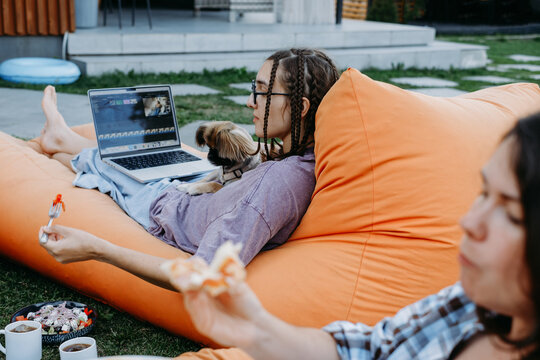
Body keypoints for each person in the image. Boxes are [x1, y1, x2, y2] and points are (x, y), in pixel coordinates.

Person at [179, 112, 540, 359]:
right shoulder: (469, 306)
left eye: (510, 213)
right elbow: (368, 349)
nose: (470, 221)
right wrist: (254, 327)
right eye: (482, 193)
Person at [37, 48, 340, 290]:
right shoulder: (306, 159)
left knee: (112, 166)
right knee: (150, 158)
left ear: (300, 108)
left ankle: (59, 141)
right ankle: (65, 140)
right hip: (204, 190)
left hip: (168, 208)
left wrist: (97, 249)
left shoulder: (273, 187)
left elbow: (202, 275)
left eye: (262, 92)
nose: (250, 102)